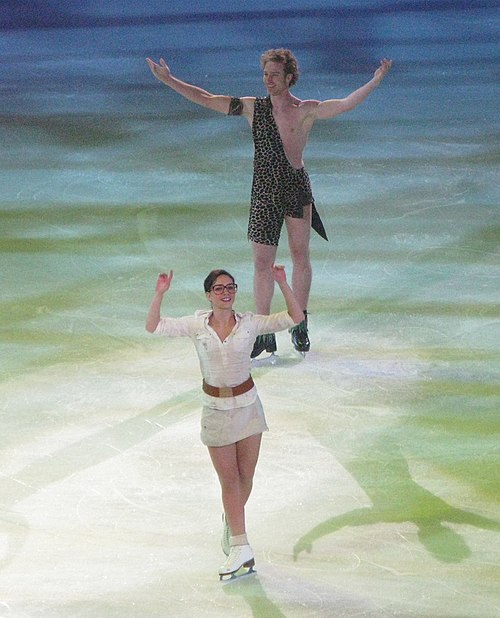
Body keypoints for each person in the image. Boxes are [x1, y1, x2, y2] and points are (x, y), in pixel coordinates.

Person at [146, 49, 392, 357]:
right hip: (263, 192)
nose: (268, 80)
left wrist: (376, 79)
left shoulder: (306, 110)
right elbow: (208, 99)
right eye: (265, 74)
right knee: (262, 264)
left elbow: (344, 105)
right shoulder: (252, 108)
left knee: (300, 256)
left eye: (275, 75)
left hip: (295, 188)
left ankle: (299, 322)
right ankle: (263, 332)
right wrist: (169, 81)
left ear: (289, 78)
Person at [145, 264, 303, 579]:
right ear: (209, 294)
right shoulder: (196, 325)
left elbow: (294, 317)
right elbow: (154, 326)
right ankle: (241, 547)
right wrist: (159, 294)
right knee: (229, 481)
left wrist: (283, 284)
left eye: (230, 287)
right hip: (215, 410)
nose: (226, 292)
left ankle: (231, 523)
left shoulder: (249, 323)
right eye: (219, 288)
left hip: (248, 408)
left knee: (245, 479)